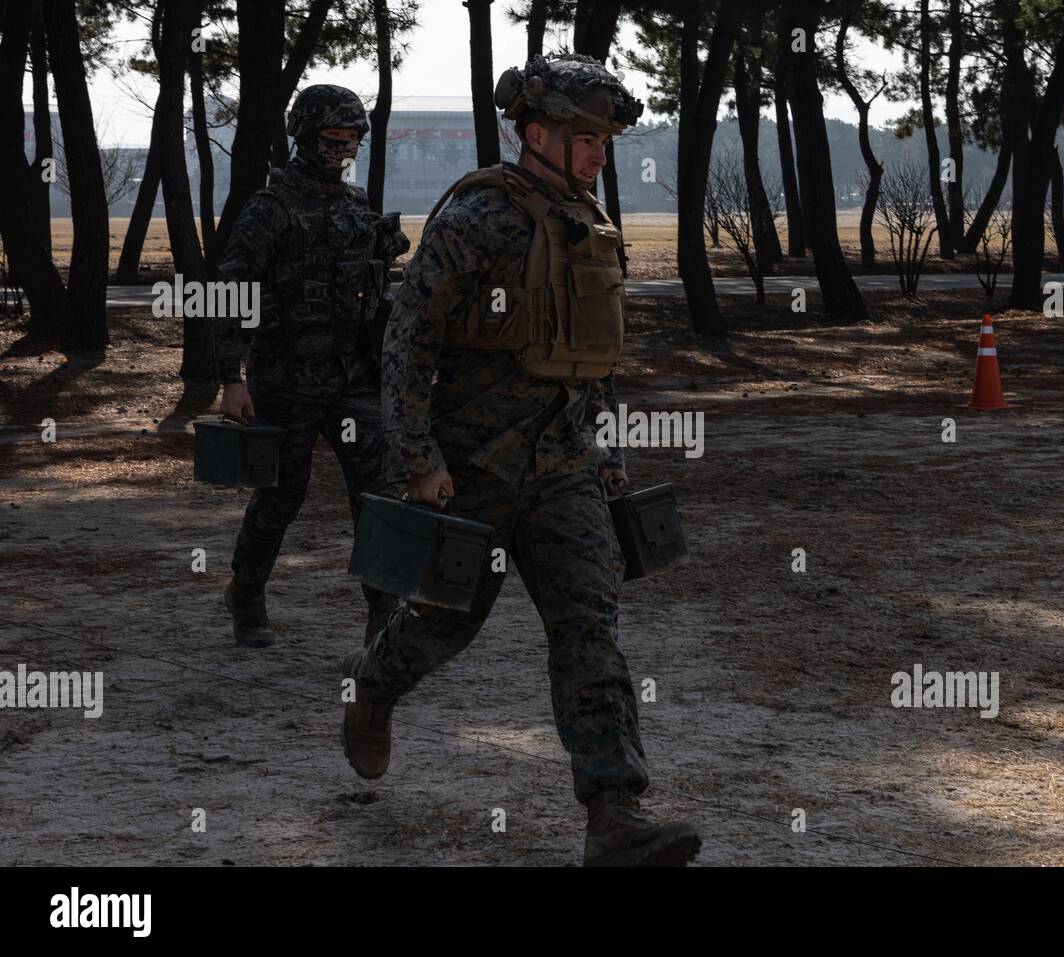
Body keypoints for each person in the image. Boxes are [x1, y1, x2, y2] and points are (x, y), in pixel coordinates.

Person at [340, 55, 702, 866]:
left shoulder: (588, 225)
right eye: (585, 138)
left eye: (606, 139)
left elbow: (593, 359)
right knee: (444, 624)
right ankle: (374, 688)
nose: (600, 153)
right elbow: (408, 338)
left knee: (590, 631)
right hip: (474, 470)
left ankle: (615, 812)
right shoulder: (477, 216)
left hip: (565, 473)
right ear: (535, 134)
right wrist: (417, 456)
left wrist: (604, 450)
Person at [212, 84, 408, 648]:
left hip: (353, 379)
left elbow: (376, 293)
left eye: (351, 139)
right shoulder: (270, 209)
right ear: (304, 135)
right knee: (280, 495)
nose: (342, 148)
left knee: (379, 495)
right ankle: (246, 591)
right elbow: (230, 293)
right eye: (332, 138)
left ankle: (384, 615)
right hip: (286, 378)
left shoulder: (356, 209)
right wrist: (231, 379)